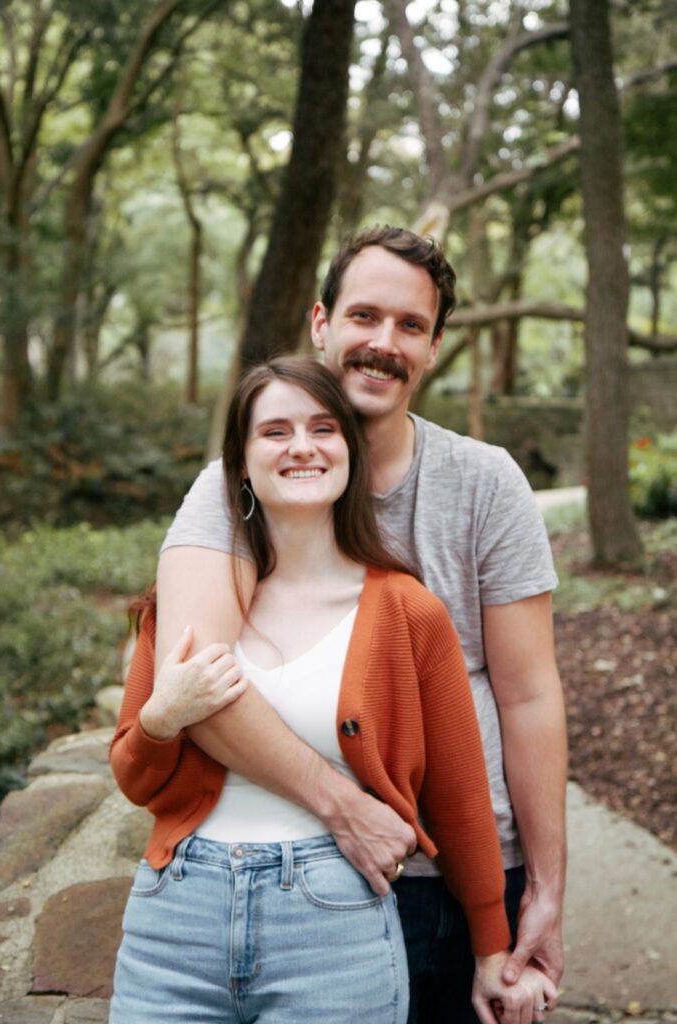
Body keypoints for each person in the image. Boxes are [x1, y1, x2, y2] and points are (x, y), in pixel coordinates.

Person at [156, 227, 568, 1023]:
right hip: (287, 869)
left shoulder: (486, 485)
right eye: (365, 316)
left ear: (436, 346)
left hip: (459, 881)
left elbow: (529, 696)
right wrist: (345, 809)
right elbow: (194, 677)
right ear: (321, 323)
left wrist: (545, 886)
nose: (384, 344)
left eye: (411, 326)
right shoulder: (236, 488)